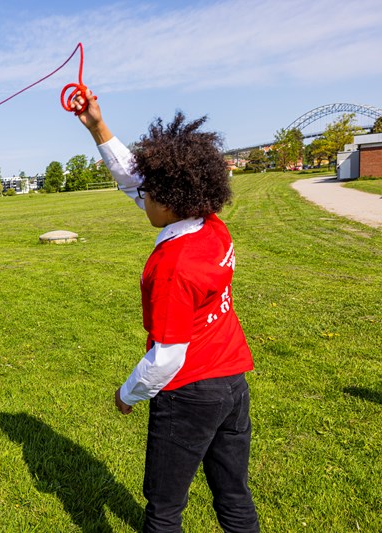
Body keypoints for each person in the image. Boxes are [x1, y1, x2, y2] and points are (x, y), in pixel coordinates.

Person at [71, 89, 259, 532]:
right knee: (233, 493)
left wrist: (127, 393)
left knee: (164, 508)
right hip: (232, 383)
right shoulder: (209, 222)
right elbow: (133, 179)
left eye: (149, 194)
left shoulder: (173, 265)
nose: (141, 199)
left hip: (190, 391)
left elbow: (168, 356)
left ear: (170, 199)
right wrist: (97, 126)